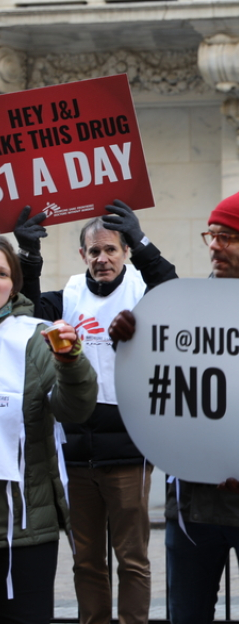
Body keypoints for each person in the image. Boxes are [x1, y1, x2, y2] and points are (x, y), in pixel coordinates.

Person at [112, 184, 239, 624]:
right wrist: (135, 344)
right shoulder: (184, 307)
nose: (215, 246)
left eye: (228, 237)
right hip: (193, 505)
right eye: (211, 235)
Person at [14, 201, 176, 624]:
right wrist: (28, 257)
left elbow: (175, 294)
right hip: (76, 453)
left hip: (128, 449)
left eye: (111, 250)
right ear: (82, 256)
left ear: (124, 253)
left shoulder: (142, 290)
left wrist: (144, 244)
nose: (102, 259)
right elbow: (26, 317)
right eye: (93, 252)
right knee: (86, 562)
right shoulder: (67, 295)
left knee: (133, 560)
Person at [0, 237, 98, 624]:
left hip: (25, 528)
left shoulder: (37, 338)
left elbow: (74, 409)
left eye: (2, 273)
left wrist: (70, 362)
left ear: (15, 284)